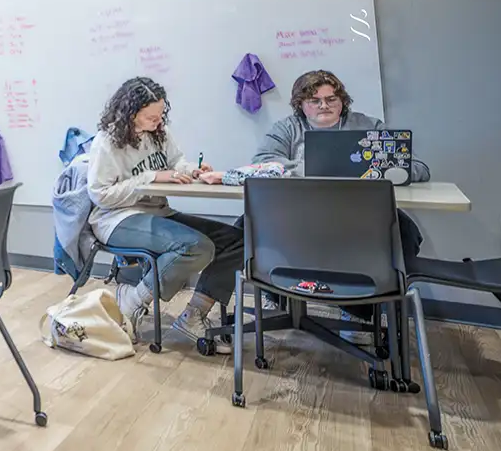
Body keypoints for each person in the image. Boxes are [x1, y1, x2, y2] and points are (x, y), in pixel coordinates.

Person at [253, 69, 429, 342]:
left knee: (404, 230)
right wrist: (314, 167)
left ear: (343, 101)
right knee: (249, 223)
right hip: (299, 216)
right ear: (301, 105)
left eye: (331, 99)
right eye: (314, 100)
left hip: (359, 215)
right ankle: (273, 294)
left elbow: (416, 167)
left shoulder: (368, 125)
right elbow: (263, 163)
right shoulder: (287, 128)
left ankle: (359, 310)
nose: (324, 105)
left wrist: (371, 169)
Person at [87, 77, 244, 353]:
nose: (158, 122)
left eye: (161, 115)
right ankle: (133, 301)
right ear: (129, 113)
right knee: (196, 246)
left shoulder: (160, 132)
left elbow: (176, 162)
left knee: (236, 239)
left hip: (158, 212)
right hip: (117, 218)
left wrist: (191, 170)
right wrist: (151, 178)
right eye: (150, 117)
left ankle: (193, 314)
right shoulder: (107, 142)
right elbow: (100, 195)